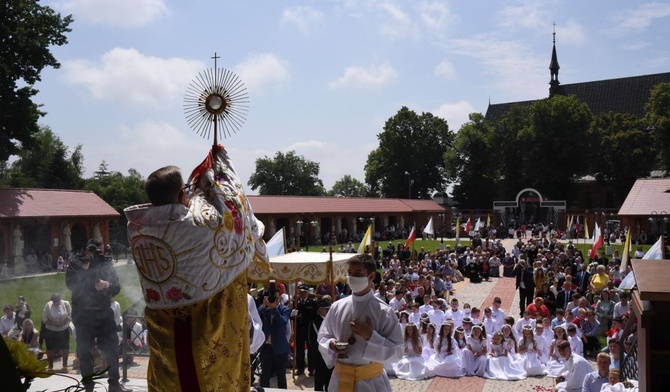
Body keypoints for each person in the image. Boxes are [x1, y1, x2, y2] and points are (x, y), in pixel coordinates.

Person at [125, 150, 269, 392]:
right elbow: (232, 209)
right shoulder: (199, 225)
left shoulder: (136, 228)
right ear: (182, 194)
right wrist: (216, 169)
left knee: (171, 382)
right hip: (200, 325)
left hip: (163, 328)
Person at [318, 253, 404, 391]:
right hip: (340, 380)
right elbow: (323, 336)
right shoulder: (337, 307)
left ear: (371, 276)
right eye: (349, 273)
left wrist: (371, 336)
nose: (352, 278)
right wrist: (331, 344)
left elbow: (398, 352)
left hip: (370, 382)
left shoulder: (384, 311)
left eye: (357, 273)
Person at [66, 239, 130, 392]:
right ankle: (88, 386)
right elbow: (71, 284)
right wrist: (85, 269)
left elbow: (116, 287)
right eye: (92, 250)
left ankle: (114, 384)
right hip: (83, 314)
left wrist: (106, 284)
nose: (95, 254)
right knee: (84, 352)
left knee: (111, 349)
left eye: (98, 251)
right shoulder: (76, 263)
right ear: (86, 249)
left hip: (103, 312)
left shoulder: (105, 264)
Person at [258, 287, 291, 389]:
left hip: (280, 349)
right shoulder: (264, 309)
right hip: (266, 348)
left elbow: (283, 322)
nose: (275, 301)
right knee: (265, 376)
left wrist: (274, 309)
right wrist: (263, 306)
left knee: (281, 376)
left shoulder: (285, 309)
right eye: (273, 298)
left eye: (277, 298)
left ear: (280, 298)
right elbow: (257, 317)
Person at [41, 293, 71, 372]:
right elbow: (44, 318)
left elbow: (70, 315)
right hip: (51, 330)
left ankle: (65, 365)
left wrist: (63, 322)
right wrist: (54, 324)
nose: (56, 303)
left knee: (65, 347)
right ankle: (50, 366)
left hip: (63, 329)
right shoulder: (48, 305)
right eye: (54, 302)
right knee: (50, 348)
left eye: (57, 302)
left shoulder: (66, 304)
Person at [309, 299, 333, 391]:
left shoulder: (333, 322)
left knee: (330, 384)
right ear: (319, 310)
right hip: (319, 358)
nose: (327, 311)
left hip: (331, 357)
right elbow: (311, 342)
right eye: (325, 309)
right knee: (319, 384)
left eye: (328, 309)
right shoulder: (314, 323)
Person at [295, 284, 317, 376]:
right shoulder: (296, 302)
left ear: (307, 293)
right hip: (299, 328)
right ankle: (300, 368)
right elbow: (292, 316)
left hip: (309, 329)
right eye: (301, 292)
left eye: (304, 292)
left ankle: (311, 369)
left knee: (311, 349)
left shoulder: (312, 302)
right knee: (299, 349)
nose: (302, 294)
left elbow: (315, 316)